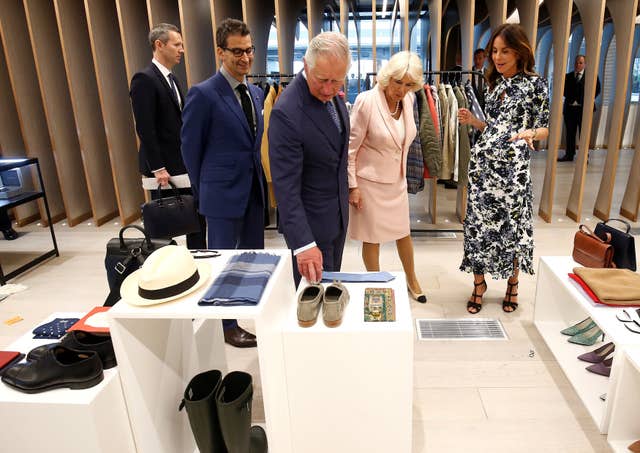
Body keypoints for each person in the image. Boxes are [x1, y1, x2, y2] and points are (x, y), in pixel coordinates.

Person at [181, 18, 265, 348]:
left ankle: (245, 308)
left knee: (250, 260)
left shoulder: (256, 92)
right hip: (221, 196)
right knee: (224, 263)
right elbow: (190, 150)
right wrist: (207, 195)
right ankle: (226, 325)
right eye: (237, 51)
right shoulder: (203, 94)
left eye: (249, 50)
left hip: (253, 192)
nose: (245, 58)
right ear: (220, 52)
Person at [457, 23, 549, 314]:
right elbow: (493, 128)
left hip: (513, 173)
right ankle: (479, 284)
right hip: (483, 169)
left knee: (512, 228)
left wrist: (530, 134)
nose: (497, 57)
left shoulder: (536, 84)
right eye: (495, 51)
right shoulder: (493, 85)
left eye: (504, 51)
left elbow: (545, 127)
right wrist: (474, 121)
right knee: (480, 227)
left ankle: (513, 283)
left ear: (520, 52)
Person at [269, 32, 351, 287]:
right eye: (322, 80)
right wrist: (304, 244)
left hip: (336, 218)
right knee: (310, 303)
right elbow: (286, 188)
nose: (328, 89)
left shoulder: (332, 94)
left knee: (329, 293)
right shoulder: (287, 111)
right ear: (306, 65)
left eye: (336, 81)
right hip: (310, 229)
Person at [347, 51, 426, 303]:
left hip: (397, 181)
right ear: (387, 77)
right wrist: (353, 186)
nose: (401, 90)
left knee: (404, 233)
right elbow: (350, 148)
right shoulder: (366, 101)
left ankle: (412, 279)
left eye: (408, 84)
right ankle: (376, 283)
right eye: (397, 82)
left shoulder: (410, 100)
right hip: (369, 183)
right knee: (372, 238)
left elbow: (404, 140)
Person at [129, 23, 206, 249]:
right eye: (177, 44)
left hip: (181, 162)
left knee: (196, 217)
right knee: (162, 222)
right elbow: (145, 128)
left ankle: (198, 256)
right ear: (159, 45)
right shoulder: (144, 79)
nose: (181, 49)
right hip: (163, 166)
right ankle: (165, 266)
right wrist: (158, 167)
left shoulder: (171, 78)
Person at [558, 54, 601, 162]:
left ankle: (584, 156)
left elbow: (597, 90)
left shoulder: (592, 77)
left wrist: (584, 100)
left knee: (584, 134)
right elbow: (563, 91)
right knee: (570, 133)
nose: (578, 65)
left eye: (581, 63)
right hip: (570, 110)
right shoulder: (568, 76)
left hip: (585, 110)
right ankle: (569, 155)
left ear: (585, 64)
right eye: (576, 62)